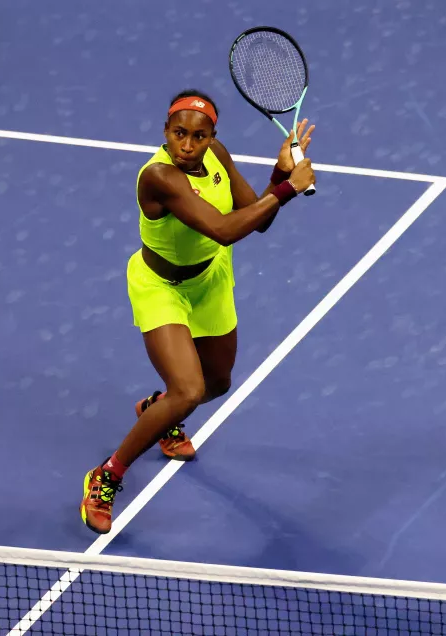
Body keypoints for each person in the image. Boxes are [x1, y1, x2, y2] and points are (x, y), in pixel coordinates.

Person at [80, 89, 316, 534]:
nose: (188, 145)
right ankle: (107, 475)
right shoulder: (159, 177)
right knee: (188, 390)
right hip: (161, 286)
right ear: (165, 132)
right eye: (179, 134)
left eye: (199, 136)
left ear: (213, 137)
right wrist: (287, 188)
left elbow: (258, 218)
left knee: (217, 384)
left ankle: (157, 408)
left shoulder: (217, 156)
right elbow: (224, 229)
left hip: (209, 280)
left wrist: (278, 172)